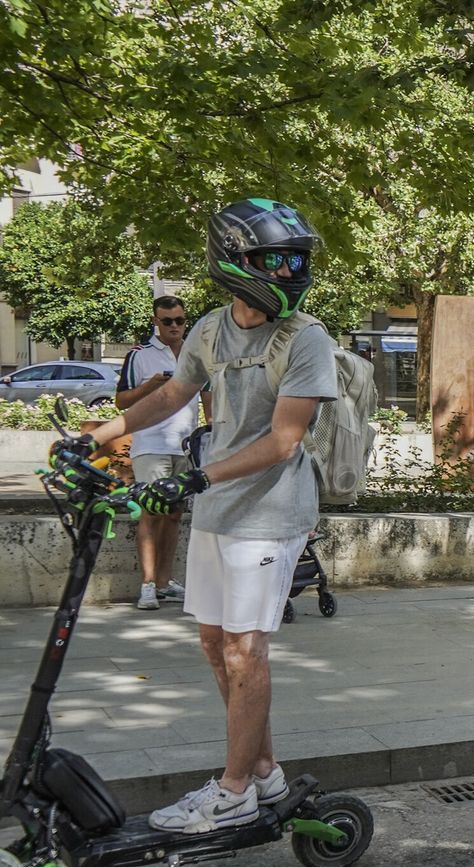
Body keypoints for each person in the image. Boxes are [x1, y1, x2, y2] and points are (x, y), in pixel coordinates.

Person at [50, 198, 336, 834]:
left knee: (245, 649)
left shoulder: (306, 338)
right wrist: (96, 437)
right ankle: (263, 773)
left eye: (296, 260)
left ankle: (233, 790)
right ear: (233, 261)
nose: (290, 270)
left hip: (269, 512)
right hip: (216, 509)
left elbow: (286, 439)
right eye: (275, 259)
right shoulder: (208, 328)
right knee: (215, 642)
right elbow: (173, 395)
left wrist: (194, 477)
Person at [115, 295, 200, 610]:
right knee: (151, 513)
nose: (174, 326)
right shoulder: (140, 355)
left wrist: (210, 434)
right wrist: (150, 386)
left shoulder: (194, 353)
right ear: (155, 321)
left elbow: (207, 394)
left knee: (174, 516)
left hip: (185, 445)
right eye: (167, 321)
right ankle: (148, 585)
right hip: (151, 445)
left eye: (179, 320)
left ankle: (165, 582)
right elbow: (121, 401)